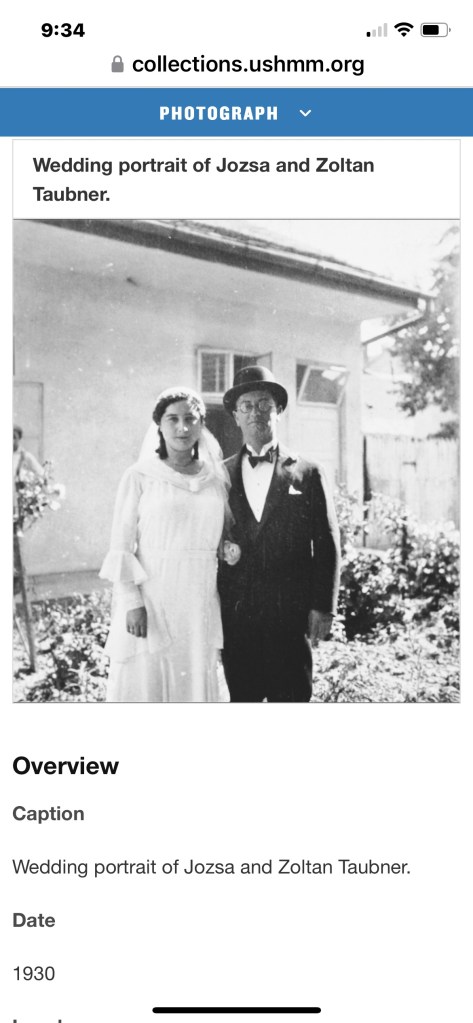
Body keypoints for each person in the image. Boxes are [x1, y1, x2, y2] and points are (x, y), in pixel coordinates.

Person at [100, 387, 237, 703]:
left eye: (190, 419)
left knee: (192, 680)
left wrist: (228, 548)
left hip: (199, 598)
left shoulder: (215, 479)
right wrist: (132, 603)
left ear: (202, 424)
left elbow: (218, 535)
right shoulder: (139, 476)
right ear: (159, 425)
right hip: (154, 596)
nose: (182, 427)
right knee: (148, 681)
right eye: (172, 419)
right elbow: (121, 546)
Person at [217, 365, 341, 703]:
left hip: (290, 616)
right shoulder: (220, 475)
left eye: (264, 404)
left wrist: (323, 606)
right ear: (235, 416)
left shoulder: (309, 472)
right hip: (238, 620)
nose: (255, 412)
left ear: (279, 411)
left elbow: (327, 543)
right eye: (246, 406)